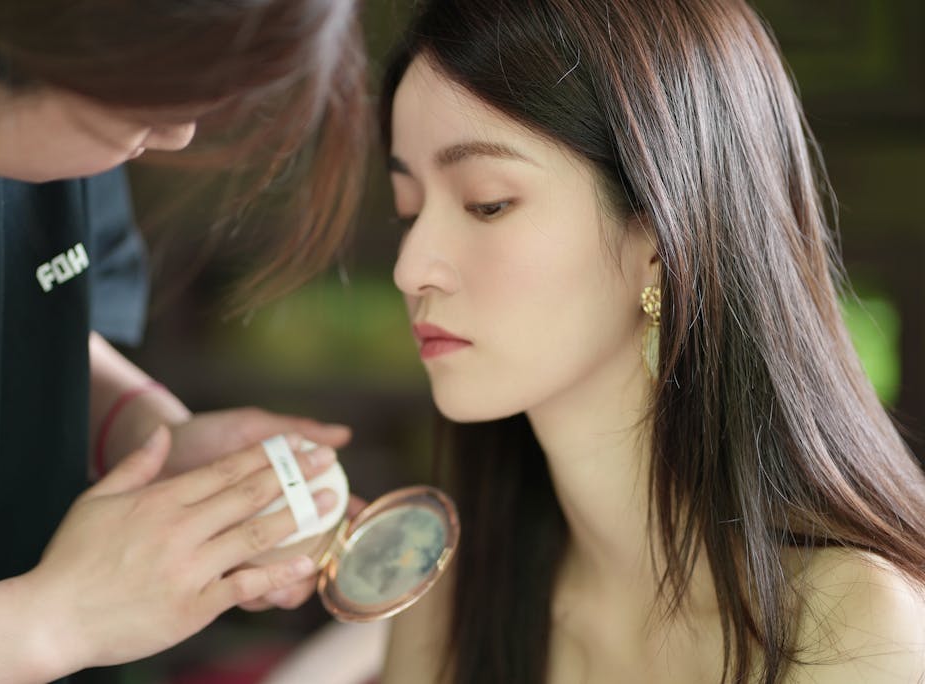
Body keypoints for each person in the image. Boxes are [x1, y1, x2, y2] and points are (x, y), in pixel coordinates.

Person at [378, 1, 925, 682]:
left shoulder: (849, 625)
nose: (410, 268)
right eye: (408, 210)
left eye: (487, 202)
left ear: (662, 241)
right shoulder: (444, 608)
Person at [0, 0, 368, 681]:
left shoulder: (58, 89)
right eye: (137, 111)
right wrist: (58, 617)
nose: (178, 135)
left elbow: (7, 321)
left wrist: (148, 435)